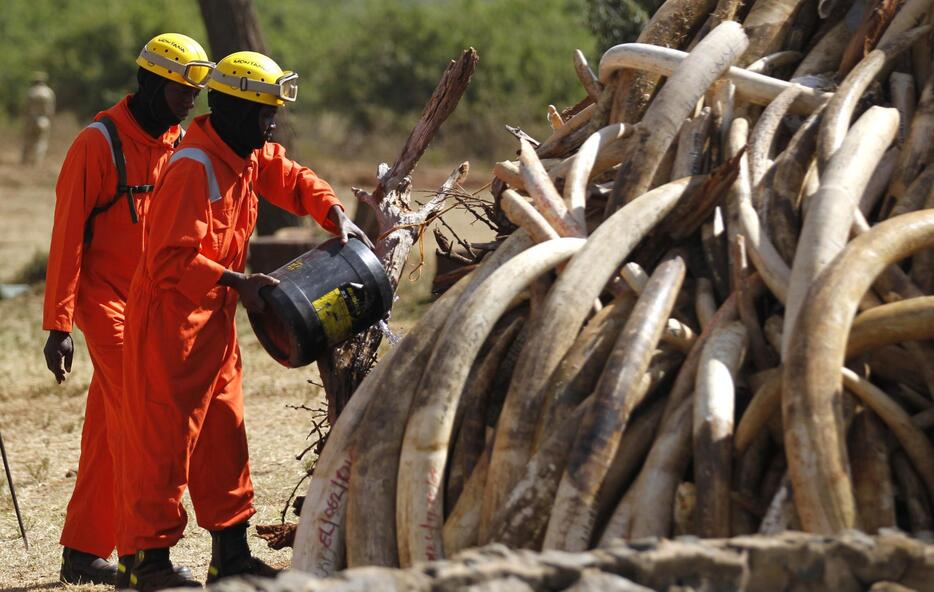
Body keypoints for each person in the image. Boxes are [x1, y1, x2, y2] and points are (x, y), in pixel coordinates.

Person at [119, 50, 372, 590]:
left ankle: (230, 557)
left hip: (213, 321)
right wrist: (240, 283)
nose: (271, 123)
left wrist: (336, 213)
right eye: (263, 113)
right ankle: (145, 562)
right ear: (231, 110)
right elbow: (168, 259)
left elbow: (292, 176)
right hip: (170, 325)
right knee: (165, 444)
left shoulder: (245, 153)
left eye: (272, 113)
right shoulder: (194, 167)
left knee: (224, 437)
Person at [41, 33, 214, 586]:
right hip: (104, 301)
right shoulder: (97, 143)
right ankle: (143, 555)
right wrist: (58, 324)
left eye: (195, 92)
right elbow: (67, 237)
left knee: (109, 427)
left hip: (151, 303)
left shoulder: (177, 142)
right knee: (148, 416)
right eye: (181, 90)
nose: (190, 102)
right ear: (151, 83)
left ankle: (83, 551)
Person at [21, 71, 56, 165]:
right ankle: (37, 162)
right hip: (44, 120)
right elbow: (51, 110)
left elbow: (26, 108)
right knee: (41, 142)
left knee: (28, 141)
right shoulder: (49, 92)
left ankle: (25, 162)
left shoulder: (31, 92)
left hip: (32, 119)